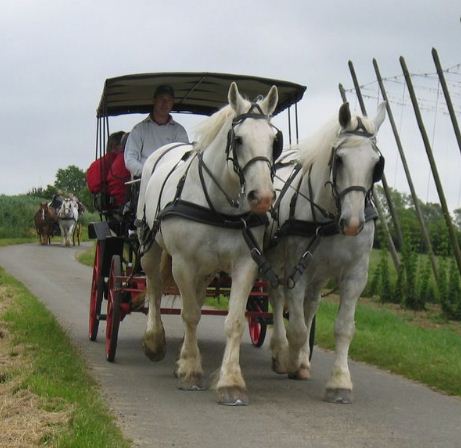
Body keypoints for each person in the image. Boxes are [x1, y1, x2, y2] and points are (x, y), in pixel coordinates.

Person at [124, 85, 189, 178]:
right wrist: (147, 174)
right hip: (143, 182)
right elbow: (130, 159)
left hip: (170, 181)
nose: (165, 103)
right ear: (154, 100)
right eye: (161, 99)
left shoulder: (179, 131)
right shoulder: (139, 129)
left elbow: (183, 157)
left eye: (169, 100)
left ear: (173, 103)